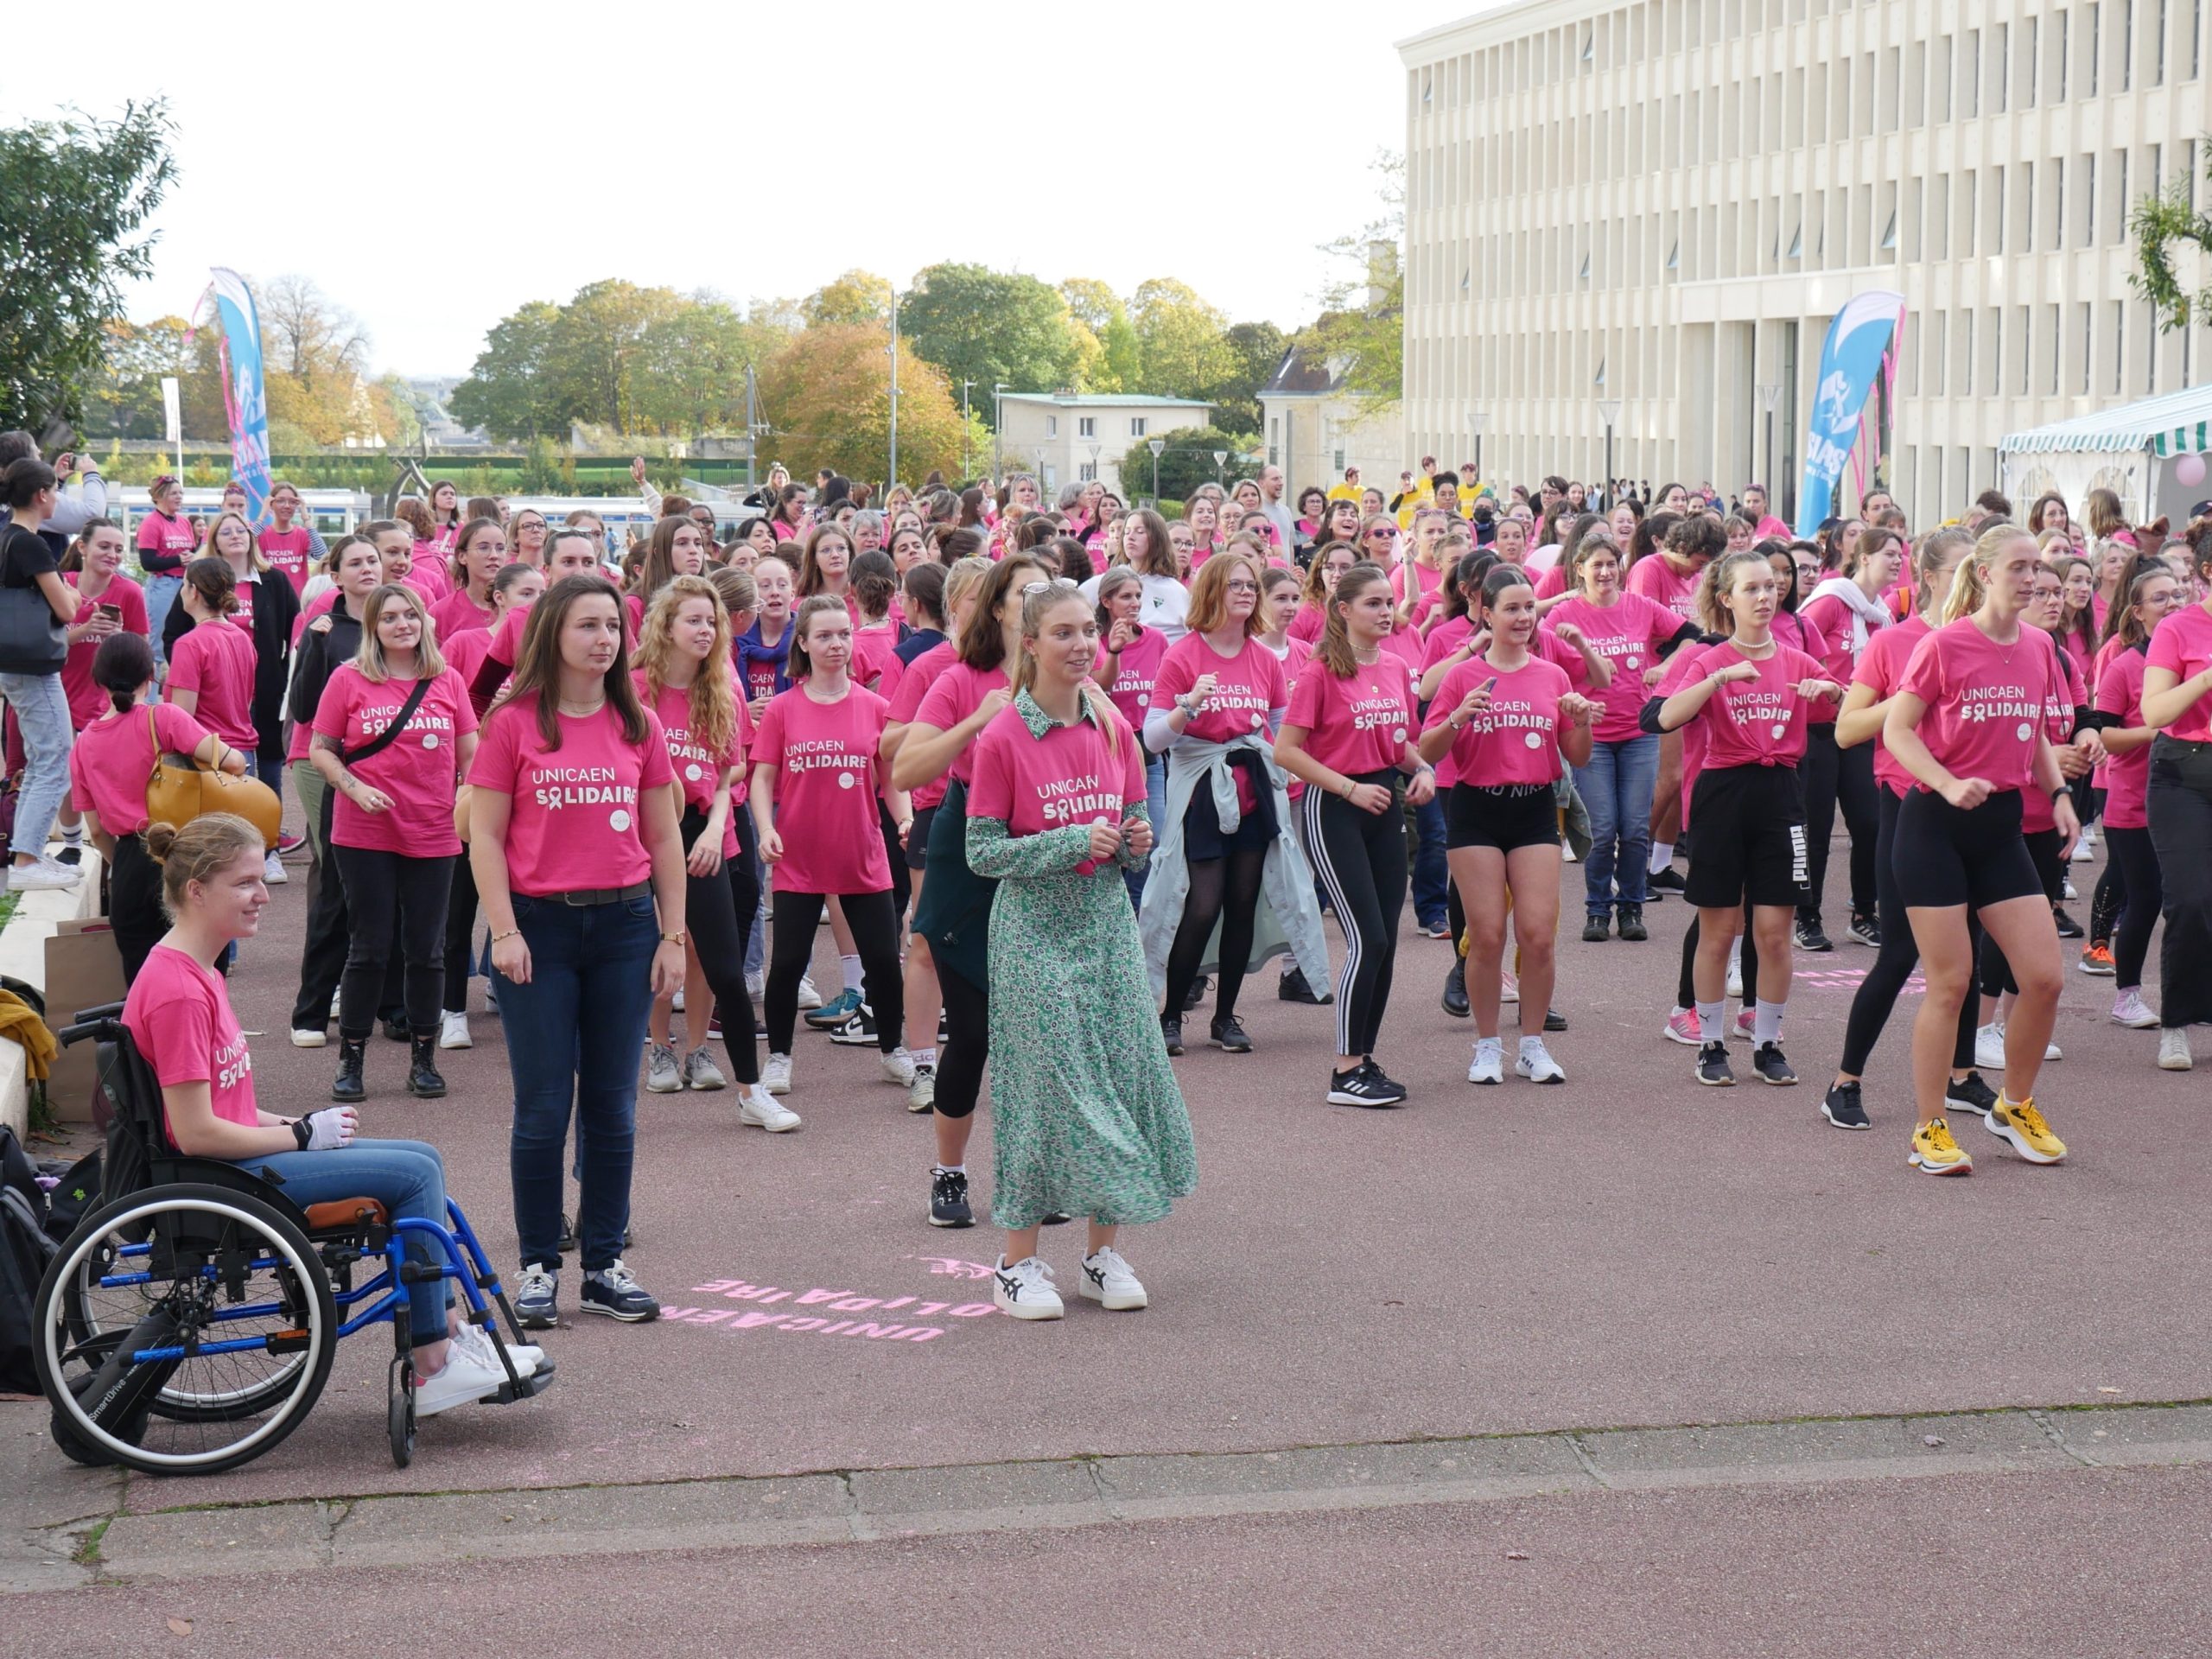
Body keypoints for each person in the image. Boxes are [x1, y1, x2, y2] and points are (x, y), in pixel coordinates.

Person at [122, 812, 543, 1414]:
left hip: (241, 1161)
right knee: (416, 1176)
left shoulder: (196, 971)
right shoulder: (181, 990)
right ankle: (434, 1358)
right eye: (245, 882)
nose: (263, 893)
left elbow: (223, 1103)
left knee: (422, 1157)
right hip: (221, 1177)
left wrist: (290, 1124)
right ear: (196, 890)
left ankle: (448, 1331)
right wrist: (298, 1135)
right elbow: (192, 1132)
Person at [963, 582, 1193, 1320]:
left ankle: (1101, 1254)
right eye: (1062, 633)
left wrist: (1136, 838)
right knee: (1046, 1088)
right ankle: (1015, 1265)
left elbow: (1130, 814)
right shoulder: (1003, 735)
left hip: (1104, 923)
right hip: (1033, 927)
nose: (1081, 645)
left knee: (1120, 1075)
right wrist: (1066, 842)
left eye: (1088, 631)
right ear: (1029, 645)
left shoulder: (1111, 723)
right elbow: (980, 851)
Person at [469, 574, 689, 1327]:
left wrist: (671, 936)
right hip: (541, 929)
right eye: (587, 626)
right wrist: (503, 930)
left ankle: (603, 1264)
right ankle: (537, 1266)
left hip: (626, 928)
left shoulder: (639, 723)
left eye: (612, 627)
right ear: (553, 635)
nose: (604, 640)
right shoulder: (513, 723)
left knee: (611, 1106)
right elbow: (486, 837)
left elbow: (664, 838)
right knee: (541, 1106)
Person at [1883, 524, 2077, 1174]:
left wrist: (2058, 795)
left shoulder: (2040, 646)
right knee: (1952, 983)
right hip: (1934, 824)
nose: (2030, 580)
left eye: (2037, 571)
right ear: (1986, 572)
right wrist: (1944, 780)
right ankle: (1929, 1127)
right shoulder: (1945, 644)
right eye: (2019, 568)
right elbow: (1897, 729)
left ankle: (2013, 1106)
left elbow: (2036, 731)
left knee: (2045, 977)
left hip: (2001, 828)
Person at [1820, 528, 1997, 1132]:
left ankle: (1962, 1075)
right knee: (1899, 951)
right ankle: (1845, 1081)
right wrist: (1909, 699)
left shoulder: (1987, 639)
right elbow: (1846, 730)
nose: (1978, 581)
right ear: (1929, 578)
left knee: (1966, 952)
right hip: (1909, 805)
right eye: (1964, 570)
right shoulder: (1896, 642)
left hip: (1973, 808)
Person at [1657, 550, 1843, 1089]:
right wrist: (1718, 679)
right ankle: (1710, 1045)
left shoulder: (1796, 658)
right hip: (1722, 794)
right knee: (1720, 931)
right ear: (1726, 599)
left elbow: (1851, 714)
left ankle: (1766, 1044)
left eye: (1772, 586)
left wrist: (1834, 690)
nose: (1766, 597)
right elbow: (1665, 716)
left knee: (1775, 934)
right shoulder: (1709, 659)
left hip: (1783, 796)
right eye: (1752, 589)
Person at [897, 556, 1046, 1225]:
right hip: (969, 853)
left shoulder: (1066, 680)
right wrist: (979, 717)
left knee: (1040, 1034)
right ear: (998, 608)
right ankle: (949, 1174)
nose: (1040, 602)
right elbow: (906, 767)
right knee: (979, 1032)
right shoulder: (959, 679)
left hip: (1044, 861)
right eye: (1026, 592)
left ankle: (1035, 1173)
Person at [1141, 553, 1329, 1055]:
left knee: (1243, 902)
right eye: (1234, 585)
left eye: (1250, 586)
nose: (1246, 593)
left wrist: (1291, 766)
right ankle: (1170, 1015)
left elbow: (1285, 728)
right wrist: (1188, 706)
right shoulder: (1183, 656)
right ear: (1211, 593)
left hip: (1252, 787)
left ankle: (1225, 1018)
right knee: (1201, 905)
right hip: (1202, 790)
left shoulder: (1265, 659)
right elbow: (1153, 739)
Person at [1422, 565, 1595, 1085]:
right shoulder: (1462, 675)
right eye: (1512, 609)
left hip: (1535, 808)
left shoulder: (1553, 675)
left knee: (1538, 935)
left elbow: (1578, 758)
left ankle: (1533, 1045)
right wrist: (1457, 718)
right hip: (1475, 808)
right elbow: (1426, 751)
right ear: (1487, 614)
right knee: (1489, 934)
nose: (1523, 618)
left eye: (1529, 608)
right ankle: (1487, 1045)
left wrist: (1582, 721)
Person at [1275, 563, 1435, 1105]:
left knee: (1386, 942)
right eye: (1372, 603)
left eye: (1389, 602)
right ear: (1342, 610)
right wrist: (1348, 789)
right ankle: (1345, 1073)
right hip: (1335, 809)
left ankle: (1363, 1056)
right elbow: (1287, 751)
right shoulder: (1320, 671)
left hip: (1384, 806)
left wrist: (1422, 769)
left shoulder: (1394, 667)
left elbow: (1397, 741)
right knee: (1366, 937)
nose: (1386, 611)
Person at [309, 582, 474, 1103]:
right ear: (373, 628)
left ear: (424, 621)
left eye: (411, 615)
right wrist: (354, 788)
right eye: (389, 618)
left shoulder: (447, 681)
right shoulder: (349, 679)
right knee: (369, 948)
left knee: (427, 950)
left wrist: (469, 800)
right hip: (363, 831)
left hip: (434, 830)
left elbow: (473, 757)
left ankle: (424, 1059)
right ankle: (351, 1059)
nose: (402, 624)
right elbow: (321, 749)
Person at [632, 575, 788, 1127]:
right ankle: (658, 1050)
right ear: (666, 627)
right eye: (693, 620)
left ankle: (751, 1091)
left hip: (703, 830)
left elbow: (728, 774)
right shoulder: (632, 687)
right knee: (647, 950)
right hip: (636, 829)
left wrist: (713, 829)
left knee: (721, 963)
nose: (705, 630)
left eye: (712, 621)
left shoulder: (721, 685)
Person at [750, 594, 912, 1101]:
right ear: (803, 642)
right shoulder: (782, 708)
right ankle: (778, 1059)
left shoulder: (876, 707)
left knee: (884, 962)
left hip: (863, 853)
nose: (837, 644)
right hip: (798, 858)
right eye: (824, 635)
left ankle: (893, 1052)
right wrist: (765, 828)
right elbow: (762, 778)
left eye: (843, 633)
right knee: (788, 965)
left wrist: (905, 820)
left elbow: (893, 779)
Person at [1541, 526, 1700, 941]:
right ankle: (1597, 910)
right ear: (1580, 570)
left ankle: (1631, 907)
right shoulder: (1563, 616)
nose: (1606, 572)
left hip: (1638, 732)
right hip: (1591, 736)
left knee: (1633, 826)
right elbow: (1543, 661)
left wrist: (1667, 667)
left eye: (1612, 564)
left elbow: (1691, 636)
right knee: (1601, 827)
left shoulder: (1640, 606)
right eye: (1597, 566)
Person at [69, 633, 245, 978]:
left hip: (130, 865)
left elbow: (95, 830)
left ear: (98, 680)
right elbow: (234, 762)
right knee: (204, 975)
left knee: (143, 983)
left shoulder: (84, 744)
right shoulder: (164, 718)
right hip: (188, 853)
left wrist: (125, 862)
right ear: (150, 674)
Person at [2089, 565, 2183, 1044]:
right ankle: (2127, 996)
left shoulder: (2194, 661)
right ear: (2138, 612)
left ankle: (2189, 1000)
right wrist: (2159, 726)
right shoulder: (2125, 666)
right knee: (2145, 898)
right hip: (2133, 801)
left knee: (2190, 901)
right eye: (2161, 597)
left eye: (2178, 594)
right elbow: (2103, 733)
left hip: (2188, 799)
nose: (2172, 603)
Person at [1799, 525, 1903, 950]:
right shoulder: (1831, 601)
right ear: (1863, 558)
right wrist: (1831, 685)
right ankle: (1807, 916)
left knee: (1869, 823)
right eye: (1889, 553)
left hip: (1860, 731)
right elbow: (1798, 647)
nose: (1898, 560)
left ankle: (1863, 913)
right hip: (1817, 730)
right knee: (1817, 829)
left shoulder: (1883, 614)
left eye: (1901, 554)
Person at [2139, 516, 2212, 1072]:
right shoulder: (2178, 629)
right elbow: (2156, 712)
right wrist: (2207, 677)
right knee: (2188, 899)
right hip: (2182, 771)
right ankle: (2177, 1024)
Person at [0, 459, 86, 890]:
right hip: (33, 665)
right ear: (41, 495)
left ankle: (28, 853)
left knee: (43, 758)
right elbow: (69, 607)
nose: (58, 498)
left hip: (15, 661)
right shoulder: (31, 544)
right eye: (56, 490)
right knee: (55, 757)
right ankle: (27, 861)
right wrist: (69, 591)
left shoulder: (5, 536)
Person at [133, 474, 194, 664]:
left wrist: (193, 557)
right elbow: (147, 562)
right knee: (158, 642)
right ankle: (150, 693)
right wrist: (178, 560)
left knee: (187, 636)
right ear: (158, 496)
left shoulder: (183, 522)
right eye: (173, 493)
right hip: (163, 585)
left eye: (180, 493)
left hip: (185, 584)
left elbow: (191, 549)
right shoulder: (151, 523)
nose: (179, 497)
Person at [432, 518, 508, 639]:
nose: (494, 555)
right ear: (462, 556)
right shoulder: (441, 612)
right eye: (483, 548)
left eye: (500, 548)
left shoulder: (518, 607)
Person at [257, 481, 326, 595]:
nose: (287, 506)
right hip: (271, 598)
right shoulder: (263, 535)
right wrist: (263, 514)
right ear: (271, 504)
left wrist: (306, 519)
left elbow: (322, 556)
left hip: (297, 599)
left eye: (292, 502)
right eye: (280, 501)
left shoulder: (302, 534)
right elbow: (246, 546)